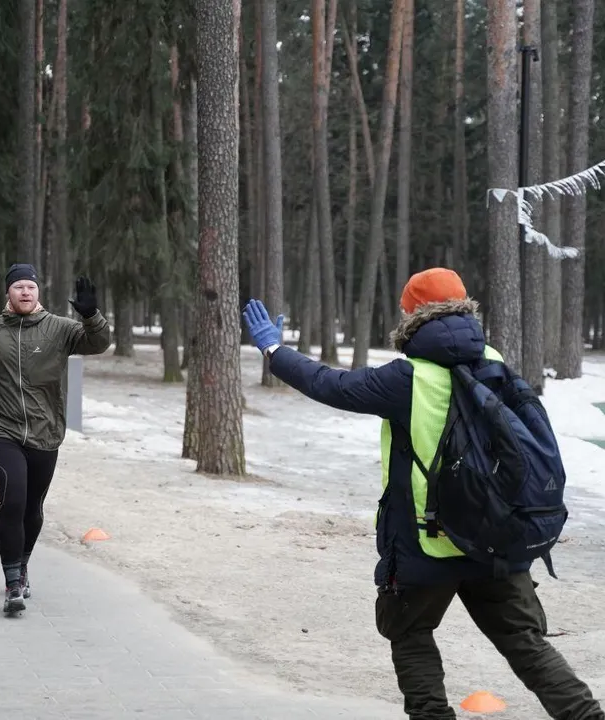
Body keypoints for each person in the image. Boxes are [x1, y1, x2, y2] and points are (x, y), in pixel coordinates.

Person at [242, 268, 604, 720]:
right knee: (525, 644)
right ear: (463, 306)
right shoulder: (493, 361)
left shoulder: (408, 377)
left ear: (411, 314)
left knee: (410, 634)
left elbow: (330, 385)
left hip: (427, 542)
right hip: (496, 533)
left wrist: (274, 349)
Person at [0, 264, 111, 614]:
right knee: (12, 500)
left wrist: (91, 315)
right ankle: (12, 581)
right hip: (2, 428)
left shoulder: (58, 328)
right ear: (8, 293)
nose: (25, 292)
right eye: (18, 287)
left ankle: (23, 562)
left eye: (30, 286)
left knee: (32, 508)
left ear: (38, 292)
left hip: (46, 431)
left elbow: (99, 343)